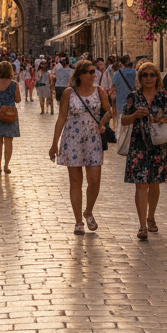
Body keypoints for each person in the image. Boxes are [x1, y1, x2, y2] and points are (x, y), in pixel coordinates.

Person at [50, 59, 109, 235]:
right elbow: (61, 118)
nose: (94, 75)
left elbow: (108, 111)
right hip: (72, 139)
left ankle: (88, 211)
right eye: (90, 72)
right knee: (76, 181)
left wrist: (104, 122)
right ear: (81, 75)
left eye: (94, 72)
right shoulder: (69, 93)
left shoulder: (99, 91)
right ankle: (78, 222)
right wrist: (54, 143)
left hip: (93, 139)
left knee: (94, 180)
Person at [120, 61, 167, 240]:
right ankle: (142, 225)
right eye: (145, 75)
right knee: (141, 184)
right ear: (140, 78)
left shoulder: (163, 96)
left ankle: (151, 216)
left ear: (157, 77)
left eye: (152, 75)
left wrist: (159, 119)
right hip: (138, 145)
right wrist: (135, 115)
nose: (149, 78)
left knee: (154, 183)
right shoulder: (133, 97)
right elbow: (123, 121)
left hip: (158, 146)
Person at [0, 60, 20, 174]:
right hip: (10, 114)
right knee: (8, 142)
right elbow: (18, 100)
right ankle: (6, 166)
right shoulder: (14, 84)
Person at [112, 55, 137, 132]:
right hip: (133, 102)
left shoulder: (116, 74)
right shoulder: (135, 73)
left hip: (120, 103)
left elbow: (113, 87)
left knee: (122, 127)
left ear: (121, 64)